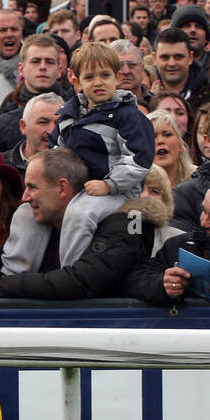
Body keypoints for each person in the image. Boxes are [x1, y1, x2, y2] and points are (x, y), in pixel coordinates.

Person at [0, 149, 147, 299]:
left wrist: (5, 289)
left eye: (32, 187)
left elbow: (79, 282)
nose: (24, 198)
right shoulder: (42, 224)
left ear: (62, 188)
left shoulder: (126, 224)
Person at [48, 42, 155, 265]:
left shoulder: (129, 116)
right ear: (76, 81)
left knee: (79, 214)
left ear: (116, 77)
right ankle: (13, 275)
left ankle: (70, 273)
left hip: (119, 194)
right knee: (27, 214)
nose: (98, 82)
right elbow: (55, 154)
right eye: (89, 77)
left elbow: (139, 159)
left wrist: (110, 185)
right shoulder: (68, 117)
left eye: (105, 75)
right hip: (75, 190)